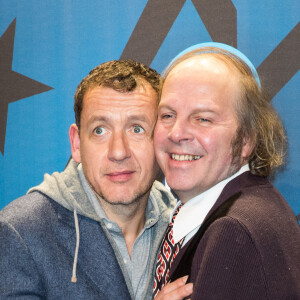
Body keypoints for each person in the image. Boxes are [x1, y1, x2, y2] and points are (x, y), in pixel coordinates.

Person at [0, 60, 192, 299]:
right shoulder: (21, 232)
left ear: (162, 139)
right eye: (100, 130)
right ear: (77, 143)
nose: (118, 152)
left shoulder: (185, 228)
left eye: (137, 129)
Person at [153, 43, 300, 299]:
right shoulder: (251, 205)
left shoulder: (233, 233)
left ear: (246, 140)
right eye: (167, 115)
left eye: (203, 119)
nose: (176, 133)